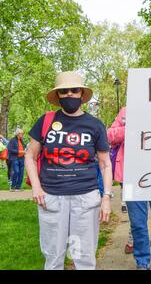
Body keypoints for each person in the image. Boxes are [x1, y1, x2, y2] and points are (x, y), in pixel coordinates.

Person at [25, 71, 112, 270]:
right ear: (58, 96)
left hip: (86, 199)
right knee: (53, 258)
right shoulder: (45, 121)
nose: (70, 94)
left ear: (82, 94)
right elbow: (30, 156)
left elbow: (105, 164)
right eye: (64, 91)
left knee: (85, 258)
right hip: (51, 199)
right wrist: (36, 188)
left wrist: (106, 197)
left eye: (75, 90)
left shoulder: (95, 125)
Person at [107, 107, 151, 270]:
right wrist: (130, 128)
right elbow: (109, 135)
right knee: (137, 224)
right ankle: (142, 262)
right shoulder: (126, 111)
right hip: (132, 177)